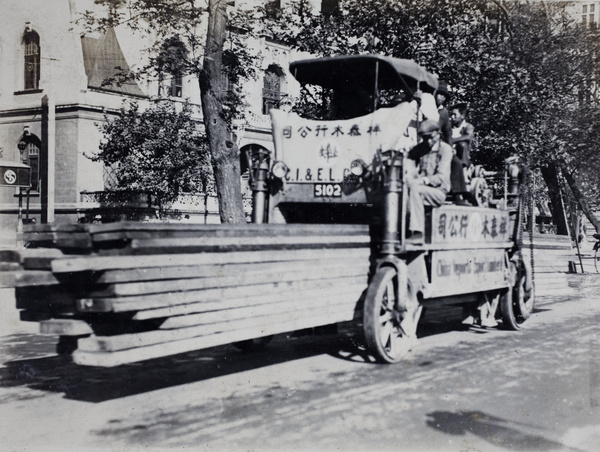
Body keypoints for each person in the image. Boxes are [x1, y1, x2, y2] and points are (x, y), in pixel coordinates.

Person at [405, 120, 453, 244]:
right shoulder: (420, 148)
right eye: (424, 138)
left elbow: (440, 177)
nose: (427, 141)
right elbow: (408, 161)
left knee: (416, 190)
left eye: (430, 138)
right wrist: (408, 176)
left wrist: (420, 181)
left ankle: (418, 232)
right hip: (420, 187)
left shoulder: (445, 150)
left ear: (437, 134)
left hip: (438, 192)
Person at [437, 85, 471, 206]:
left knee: (455, 162)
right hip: (422, 140)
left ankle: (458, 194)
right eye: (438, 94)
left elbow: (447, 133)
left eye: (443, 95)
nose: (440, 97)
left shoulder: (443, 112)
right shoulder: (426, 107)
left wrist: (449, 148)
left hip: (437, 143)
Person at [449, 102, 475, 169]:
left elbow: (468, 136)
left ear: (462, 116)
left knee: (463, 144)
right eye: (451, 115)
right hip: (449, 153)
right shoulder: (449, 127)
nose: (452, 117)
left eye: (454, 115)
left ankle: (464, 170)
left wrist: (453, 140)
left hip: (460, 156)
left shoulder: (467, 126)